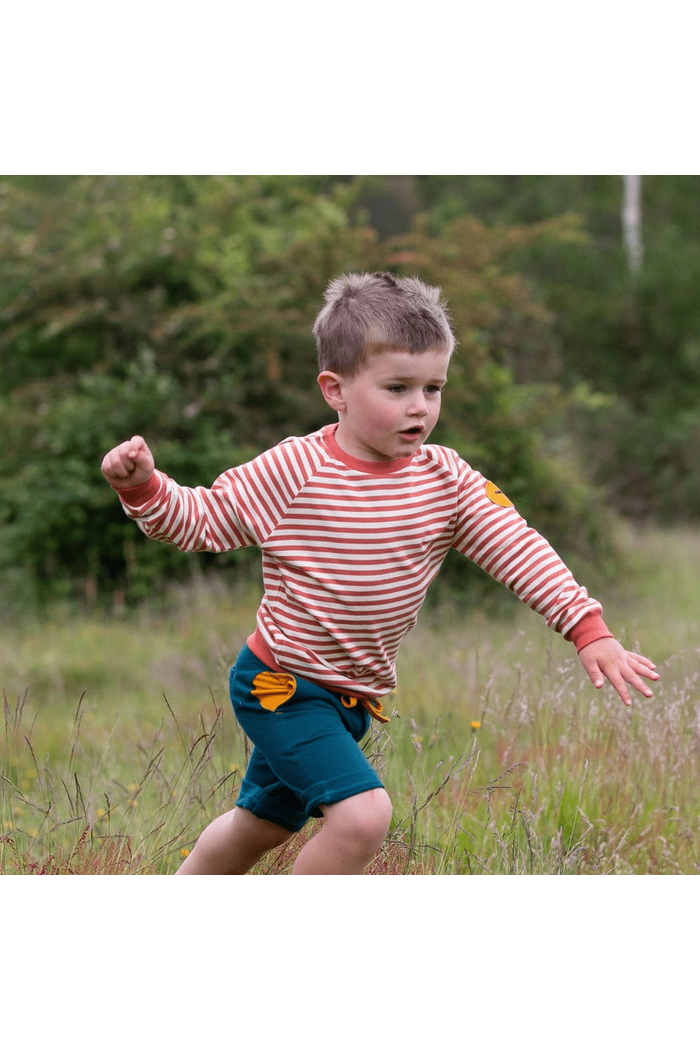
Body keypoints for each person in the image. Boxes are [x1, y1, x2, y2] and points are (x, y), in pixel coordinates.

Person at [101, 271, 659, 875]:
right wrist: (144, 488)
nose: (419, 406)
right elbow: (204, 520)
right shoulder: (296, 470)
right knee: (363, 817)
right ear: (335, 390)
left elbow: (516, 547)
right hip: (280, 687)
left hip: (354, 696)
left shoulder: (445, 479)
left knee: (260, 823)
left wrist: (587, 627)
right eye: (397, 387)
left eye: (433, 388)